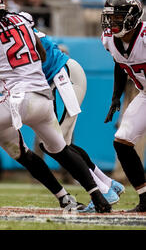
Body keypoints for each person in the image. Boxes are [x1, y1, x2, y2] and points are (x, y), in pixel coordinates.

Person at [0, 0, 111, 212]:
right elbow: (41, 54)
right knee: (60, 150)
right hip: (44, 99)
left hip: (17, 100)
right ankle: (99, 198)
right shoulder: (22, 19)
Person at [27, 22, 125, 212]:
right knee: (63, 145)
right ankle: (107, 184)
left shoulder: (13, 31)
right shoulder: (18, 27)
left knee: (54, 145)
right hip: (64, 76)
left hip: (63, 78)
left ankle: (103, 191)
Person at [101, 0, 146, 212]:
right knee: (122, 141)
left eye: (118, 17)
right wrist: (115, 97)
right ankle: (145, 199)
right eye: (110, 17)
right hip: (144, 93)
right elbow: (119, 64)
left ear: (133, 17)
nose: (112, 22)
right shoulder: (110, 40)